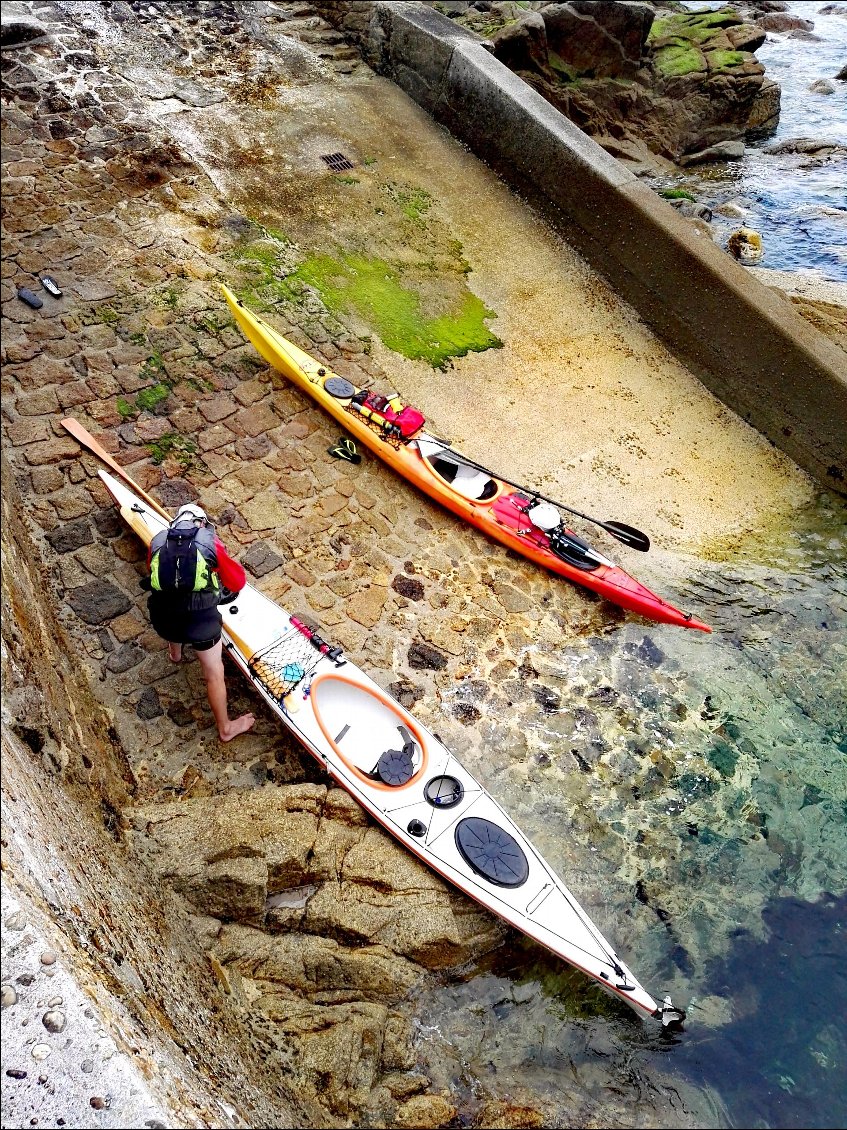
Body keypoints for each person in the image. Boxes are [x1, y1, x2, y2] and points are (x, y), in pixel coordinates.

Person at [145, 503, 255, 742]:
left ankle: (175, 655)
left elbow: (155, 578)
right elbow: (236, 583)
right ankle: (225, 728)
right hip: (201, 624)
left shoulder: (157, 541)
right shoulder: (210, 543)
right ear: (202, 524)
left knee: (171, 605)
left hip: (164, 621)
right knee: (214, 673)